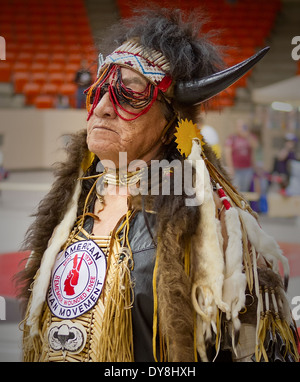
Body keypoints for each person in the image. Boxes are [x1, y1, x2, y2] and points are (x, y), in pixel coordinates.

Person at [18, 9, 299, 362]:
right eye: (99, 91)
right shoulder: (72, 201)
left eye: (129, 94)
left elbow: (253, 351)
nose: (103, 107)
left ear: (171, 120)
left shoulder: (213, 223)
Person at [224, 119, 258, 192]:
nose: (240, 128)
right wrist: (230, 167)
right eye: (238, 126)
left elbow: (255, 145)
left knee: (245, 189)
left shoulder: (250, 137)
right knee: (236, 188)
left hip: (247, 168)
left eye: (242, 126)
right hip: (236, 168)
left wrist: (247, 135)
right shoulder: (232, 138)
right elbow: (227, 153)